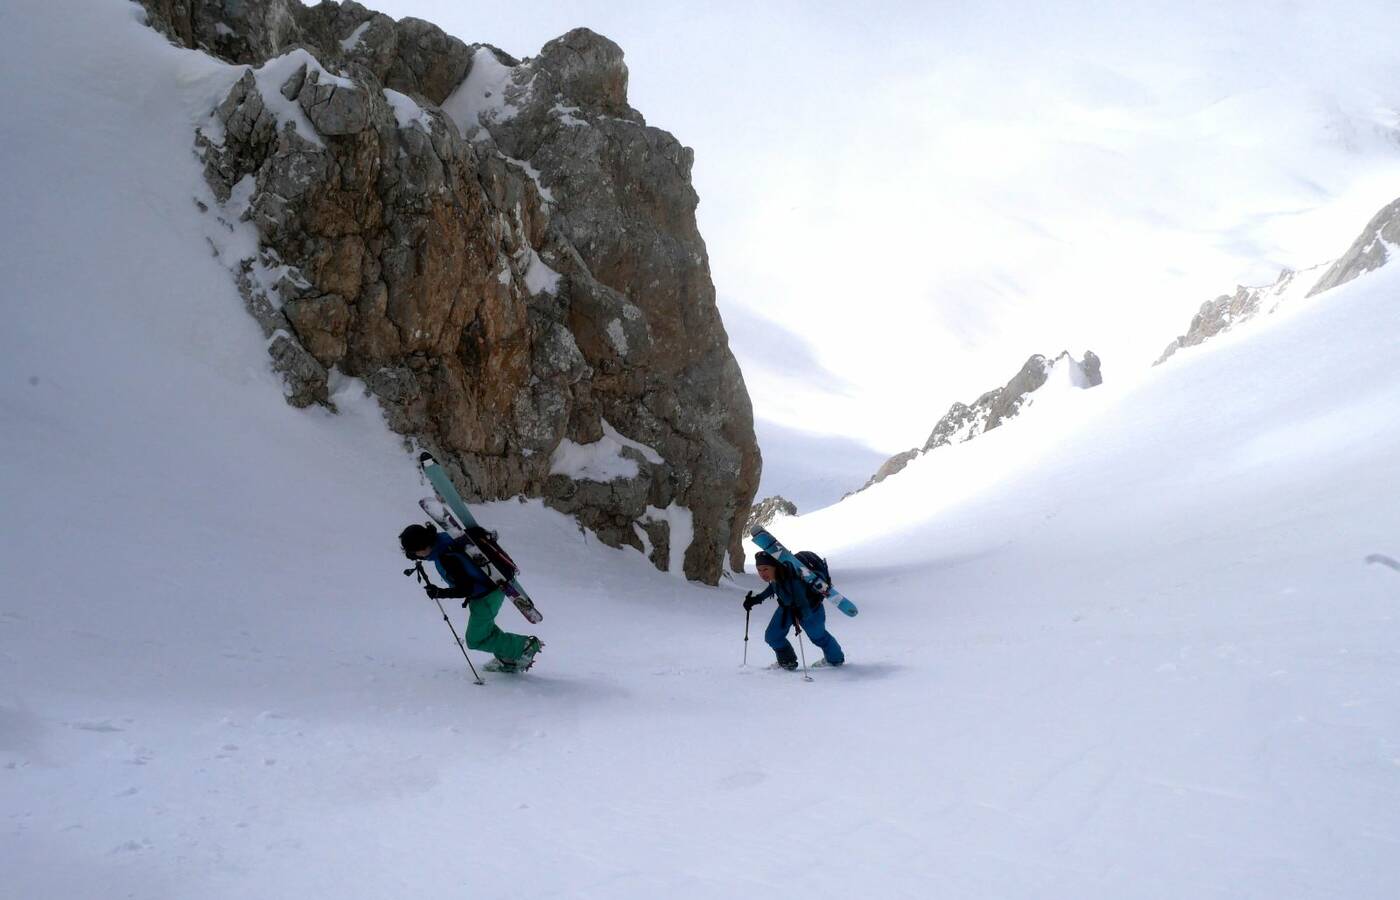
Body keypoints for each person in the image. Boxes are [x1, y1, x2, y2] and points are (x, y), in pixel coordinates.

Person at [399, 523, 542, 670]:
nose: (416, 555)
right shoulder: (445, 539)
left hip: (486, 596)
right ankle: (508, 658)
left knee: (475, 640)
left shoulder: (446, 558)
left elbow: (466, 589)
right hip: (491, 589)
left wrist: (439, 593)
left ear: (423, 547)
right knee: (484, 629)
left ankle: (524, 648)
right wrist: (413, 554)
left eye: (415, 551)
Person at [744, 550, 844, 669]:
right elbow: (773, 587)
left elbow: (802, 599)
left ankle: (835, 660)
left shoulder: (792, 579)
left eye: (766, 569)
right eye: (759, 570)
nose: (762, 573)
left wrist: (803, 614)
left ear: (775, 566)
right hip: (787, 609)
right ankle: (787, 662)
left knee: (818, 637)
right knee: (773, 636)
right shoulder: (777, 576)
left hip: (811, 609)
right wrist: (756, 599)